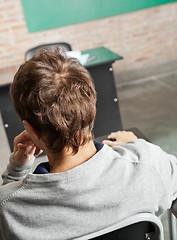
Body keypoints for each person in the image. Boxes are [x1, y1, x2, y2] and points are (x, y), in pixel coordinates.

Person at [0, 48, 177, 240]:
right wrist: (136, 144)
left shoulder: (8, 207)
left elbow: (9, 209)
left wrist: (17, 170)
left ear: (30, 129)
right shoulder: (150, 164)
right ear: (90, 106)